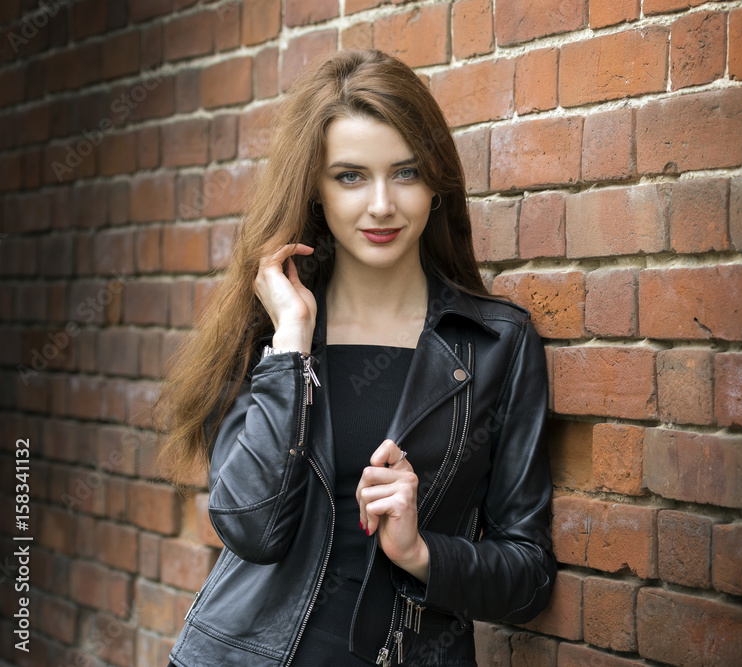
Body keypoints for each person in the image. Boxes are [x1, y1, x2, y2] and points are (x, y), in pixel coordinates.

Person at [152, 48, 556, 666]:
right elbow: (250, 528)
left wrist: (422, 552)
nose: (381, 206)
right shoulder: (267, 332)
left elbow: (527, 575)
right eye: (350, 176)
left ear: (437, 182)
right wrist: (291, 343)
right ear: (314, 189)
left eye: (406, 172)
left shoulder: (497, 344)